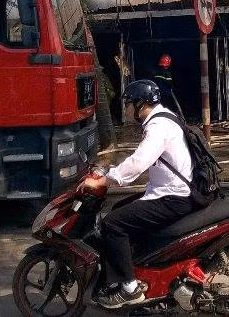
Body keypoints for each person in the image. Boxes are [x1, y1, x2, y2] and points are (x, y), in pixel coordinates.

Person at [79, 79, 196, 309]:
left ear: (140, 104)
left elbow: (138, 162)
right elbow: (142, 157)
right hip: (169, 191)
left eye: (128, 104)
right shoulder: (163, 118)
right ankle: (130, 270)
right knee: (117, 210)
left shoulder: (158, 127)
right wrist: (108, 170)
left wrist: (105, 179)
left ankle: (130, 289)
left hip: (173, 196)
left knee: (112, 224)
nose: (126, 109)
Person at [151, 53, 183, 118]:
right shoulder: (167, 73)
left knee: (159, 107)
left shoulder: (156, 72)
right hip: (166, 94)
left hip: (157, 93)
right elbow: (170, 83)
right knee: (168, 107)